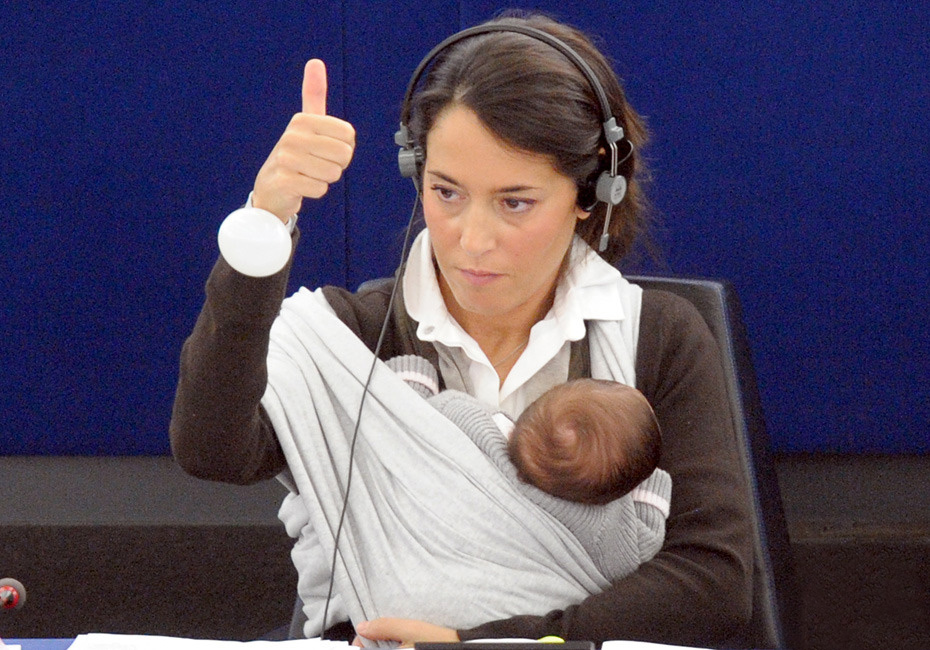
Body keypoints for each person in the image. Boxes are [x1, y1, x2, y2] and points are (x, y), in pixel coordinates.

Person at [170, 11, 753, 647]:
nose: (472, 239)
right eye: (446, 193)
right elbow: (212, 450)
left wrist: (489, 642)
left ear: (592, 194)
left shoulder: (659, 338)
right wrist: (265, 222)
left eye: (515, 202)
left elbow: (712, 582)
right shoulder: (351, 340)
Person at [385, 354, 672, 583]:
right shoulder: (603, 532)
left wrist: (415, 373)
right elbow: (642, 545)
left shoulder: (473, 424)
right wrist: (651, 484)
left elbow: (407, 414)